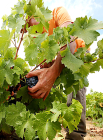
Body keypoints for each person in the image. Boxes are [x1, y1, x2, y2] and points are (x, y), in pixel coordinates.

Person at [26, 6, 87, 140]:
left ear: (31, 16)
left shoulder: (57, 12)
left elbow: (69, 39)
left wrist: (52, 73)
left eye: (24, 25)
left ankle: (76, 135)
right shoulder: (35, 36)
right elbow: (44, 65)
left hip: (77, 53)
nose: (23, 30)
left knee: (75, 92)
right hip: (57, 61)